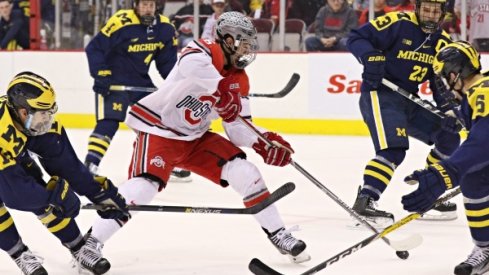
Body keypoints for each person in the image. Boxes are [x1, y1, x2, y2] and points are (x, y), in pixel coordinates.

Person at [87, 11, 311, 264]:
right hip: (159, 129)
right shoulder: (202, 50)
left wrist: (264, 142)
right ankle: (91, 242)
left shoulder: (239, 79)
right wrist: (220, 89)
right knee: (144, 187)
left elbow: (238, 127)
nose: (249, 49)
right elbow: (190, 66)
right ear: (228, 40)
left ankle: (279, 234)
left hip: (196, 138)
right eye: (245, 43)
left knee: (246, 172)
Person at [0, 71, 130, 275]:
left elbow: (67, 165)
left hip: (9, 155)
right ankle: (19, 254)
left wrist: (98, 193)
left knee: (44, 191)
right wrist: (53, 198)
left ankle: (79, 249)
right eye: (42, 113)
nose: (47, 119)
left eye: (49, 112)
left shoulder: (31, 122)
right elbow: (14, 194)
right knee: (40, 197)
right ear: (23, 112)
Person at [347, 0, 462, 226]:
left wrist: (450, 110)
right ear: (417, 8)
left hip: (410, 100)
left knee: (449, 136)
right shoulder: (397, 22)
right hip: (381, 94)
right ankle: (366, 199)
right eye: (425, 9)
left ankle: (431, 189)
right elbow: (355, 37)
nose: (429, 15)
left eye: (434, 11)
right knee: (394, 149)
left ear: (442, 14)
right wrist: (370, 56)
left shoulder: (442, 42)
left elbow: (440, 84)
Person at [402, 41, 489, 275]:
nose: (444, 85)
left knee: (472, 172)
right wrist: (459, 117)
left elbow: (483, 141)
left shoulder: (482, 91)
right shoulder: (479, 89)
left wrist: (446, 173)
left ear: (453, 74)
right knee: (474, 177)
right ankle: (486, 248)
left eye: (443, 78)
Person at [84, 0, 192, 182]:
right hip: (114, 81)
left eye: (151, 5)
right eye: (144, 5)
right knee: (110, 121)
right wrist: (100, 73)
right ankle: (90, 164)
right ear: (136, 5)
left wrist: (177, 83)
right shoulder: (121, 22)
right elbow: (94, 48)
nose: (147, 9)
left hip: (139, 82)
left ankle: (164, 162)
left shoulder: (165, 28)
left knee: (157, 121)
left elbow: (167, 64)